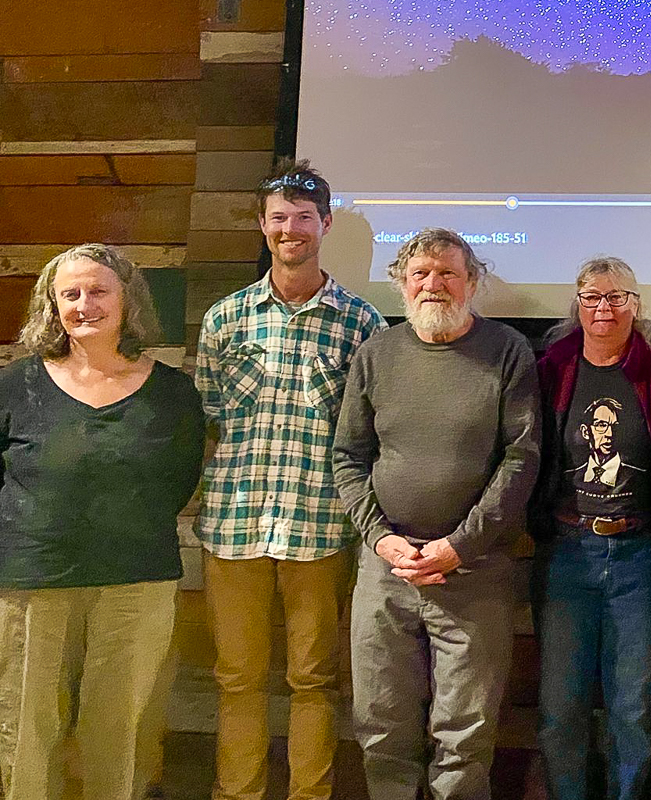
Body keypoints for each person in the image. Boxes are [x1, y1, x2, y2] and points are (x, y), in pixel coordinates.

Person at [194, 159, 386, 800]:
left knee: (314, 680)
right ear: (261, 225)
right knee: (237, 677)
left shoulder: (362, 325)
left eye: (304, 218)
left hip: (319, 526)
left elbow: (367, 434)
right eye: (279, 218)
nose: (290, 229)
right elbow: (211, 416)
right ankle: (237, 792)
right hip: (234, 524)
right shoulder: (226, 320)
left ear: (324, 224)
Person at [332, 228, 540, 800]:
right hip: (385, 572)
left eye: (448, 273)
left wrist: (460, 546)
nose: (433, 284)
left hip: (475, 572)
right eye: (420, 273)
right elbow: (349, 457)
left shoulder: (507, 352)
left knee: (465, 734)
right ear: (401, 283)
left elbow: (522, 459)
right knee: (380, 726)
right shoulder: (376, 354)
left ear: (472, 283)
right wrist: (381, 540)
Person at [0, 244, 205, 800]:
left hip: (136, 582)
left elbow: (180, 479)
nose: (84, 304)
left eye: (98, 291)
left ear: (126, 301)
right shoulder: (15, 386)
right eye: (70, 294)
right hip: (32, 583)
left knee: (121, 734)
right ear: (52, 305)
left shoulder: (173, 392)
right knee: (26, 734)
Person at [532, 256, 651, 800]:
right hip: (567, 553)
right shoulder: (552, 367)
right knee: (560, 705)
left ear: (636, 306)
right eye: (593, 296)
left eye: (617, 296)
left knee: (634, 706)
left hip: (639, 555)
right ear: (577, 304)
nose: (604, 307)